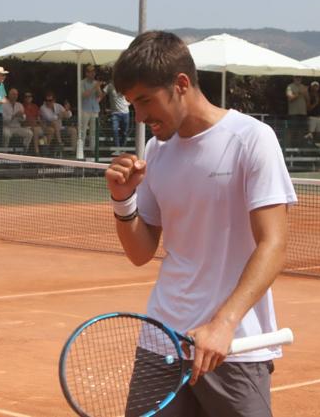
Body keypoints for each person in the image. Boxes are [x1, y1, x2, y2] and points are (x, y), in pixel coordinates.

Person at [106, 31, 297, 417]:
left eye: (145, 101)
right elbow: (141, 252)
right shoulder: (156, 151)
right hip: (162, 341)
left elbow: (273, 244)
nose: (139, 117)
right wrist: (123, 200)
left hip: (233, 347)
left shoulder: (251, 140)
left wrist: (222, 324)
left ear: (180, 84)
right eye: (132, 104)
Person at [78, 65, 103, 158]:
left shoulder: (96, 83)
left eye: (94, 71)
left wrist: (98, 88)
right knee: (83, 130)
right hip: (85, 109)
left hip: (95, 109)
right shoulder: (82, 83)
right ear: (86, 73)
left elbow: (100, 96)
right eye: (90, 71)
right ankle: (81, 151)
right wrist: (94, 87)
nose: (93, 73)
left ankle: (93, 150)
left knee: (94, 131)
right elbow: (84, 95)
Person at [103, 81, 131, 151]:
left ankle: (121, 148)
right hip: (115, 113)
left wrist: (128, 103)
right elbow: (102, 95)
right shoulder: (109, 86)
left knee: (124, 132)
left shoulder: (125, 84)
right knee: (114, 130)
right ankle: (118, 149)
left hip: (125, 112)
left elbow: (132, 95)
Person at [22, 91, 52, 155]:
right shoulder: (21, 106)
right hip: (27, 127)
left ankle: (45, 148)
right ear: (24, 98)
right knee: (36, 130)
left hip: (37, 126)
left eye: (29, 96)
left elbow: (39, 118)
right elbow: (22, 120)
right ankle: (37, 151)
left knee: (50, 130)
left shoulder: (35, 106)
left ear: (32, 98)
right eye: (26, 96)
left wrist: (42, 124)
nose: (28, 98)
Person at [285, 75, 308, 146]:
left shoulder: (304, 87)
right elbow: (290, 98)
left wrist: (306, 94)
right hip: (293, 113)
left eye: (300, 77)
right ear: (293, 78)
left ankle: (299, 149)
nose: (298, 79)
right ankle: (288, 148)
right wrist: (299, 93)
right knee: (291, 131)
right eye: (297, 77)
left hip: (303, 113)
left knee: (301, 132)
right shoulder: (290, 87)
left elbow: (308, 99)